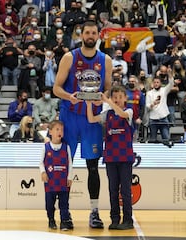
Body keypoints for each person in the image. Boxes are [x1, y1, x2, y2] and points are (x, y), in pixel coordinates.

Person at [53, 20, 112, 229]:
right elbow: (56, 88)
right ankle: (65, 214)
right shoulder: (70, 57)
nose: (90, 35)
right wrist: (70, 97)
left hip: (91, 119)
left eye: (93, 32)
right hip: (70, 117)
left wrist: (102, 99)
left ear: (98, 36)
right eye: (87, 32)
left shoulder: (106, 61)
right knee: (65, 166)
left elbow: (107, 91)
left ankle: (94, 213)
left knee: (93, 167)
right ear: (81, 34)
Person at [86, 86, 134, 230]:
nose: (117, 99)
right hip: (111, 157)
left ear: (125, 98)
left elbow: (122, 114)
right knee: (113, 190)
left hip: (125, 157)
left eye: (120, 97)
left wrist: (106, 100)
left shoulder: (128, 111)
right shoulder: (107, 114)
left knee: (125, 191)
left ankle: (128, 220)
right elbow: (91, 119)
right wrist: (89, 104)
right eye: (115, 97)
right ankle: (114, 219)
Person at [40, 120, 74, 231]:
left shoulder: (66, 147)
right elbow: (40, 162)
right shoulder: (45, 147)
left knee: (64, 203)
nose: (60, 132)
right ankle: (51, 219)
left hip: (63, 181)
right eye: (57, 129)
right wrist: (43, 172)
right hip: (50, 181)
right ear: (50, 132)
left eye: (62, 130)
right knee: (49, 203)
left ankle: (64, 221)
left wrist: (69, 177)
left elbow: (70, 163)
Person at [146, 72, 174, 143]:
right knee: (153, 139)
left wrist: (170, 74)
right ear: (152, 83)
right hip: (153, 119)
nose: (156, 84)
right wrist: (153, 104)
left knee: (166, 138)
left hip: (163, 118)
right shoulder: (149, 93)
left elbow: (171, 84)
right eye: (154, 82)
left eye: (157, 82)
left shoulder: (164, 90)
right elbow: (147, 106)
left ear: (160, 83)